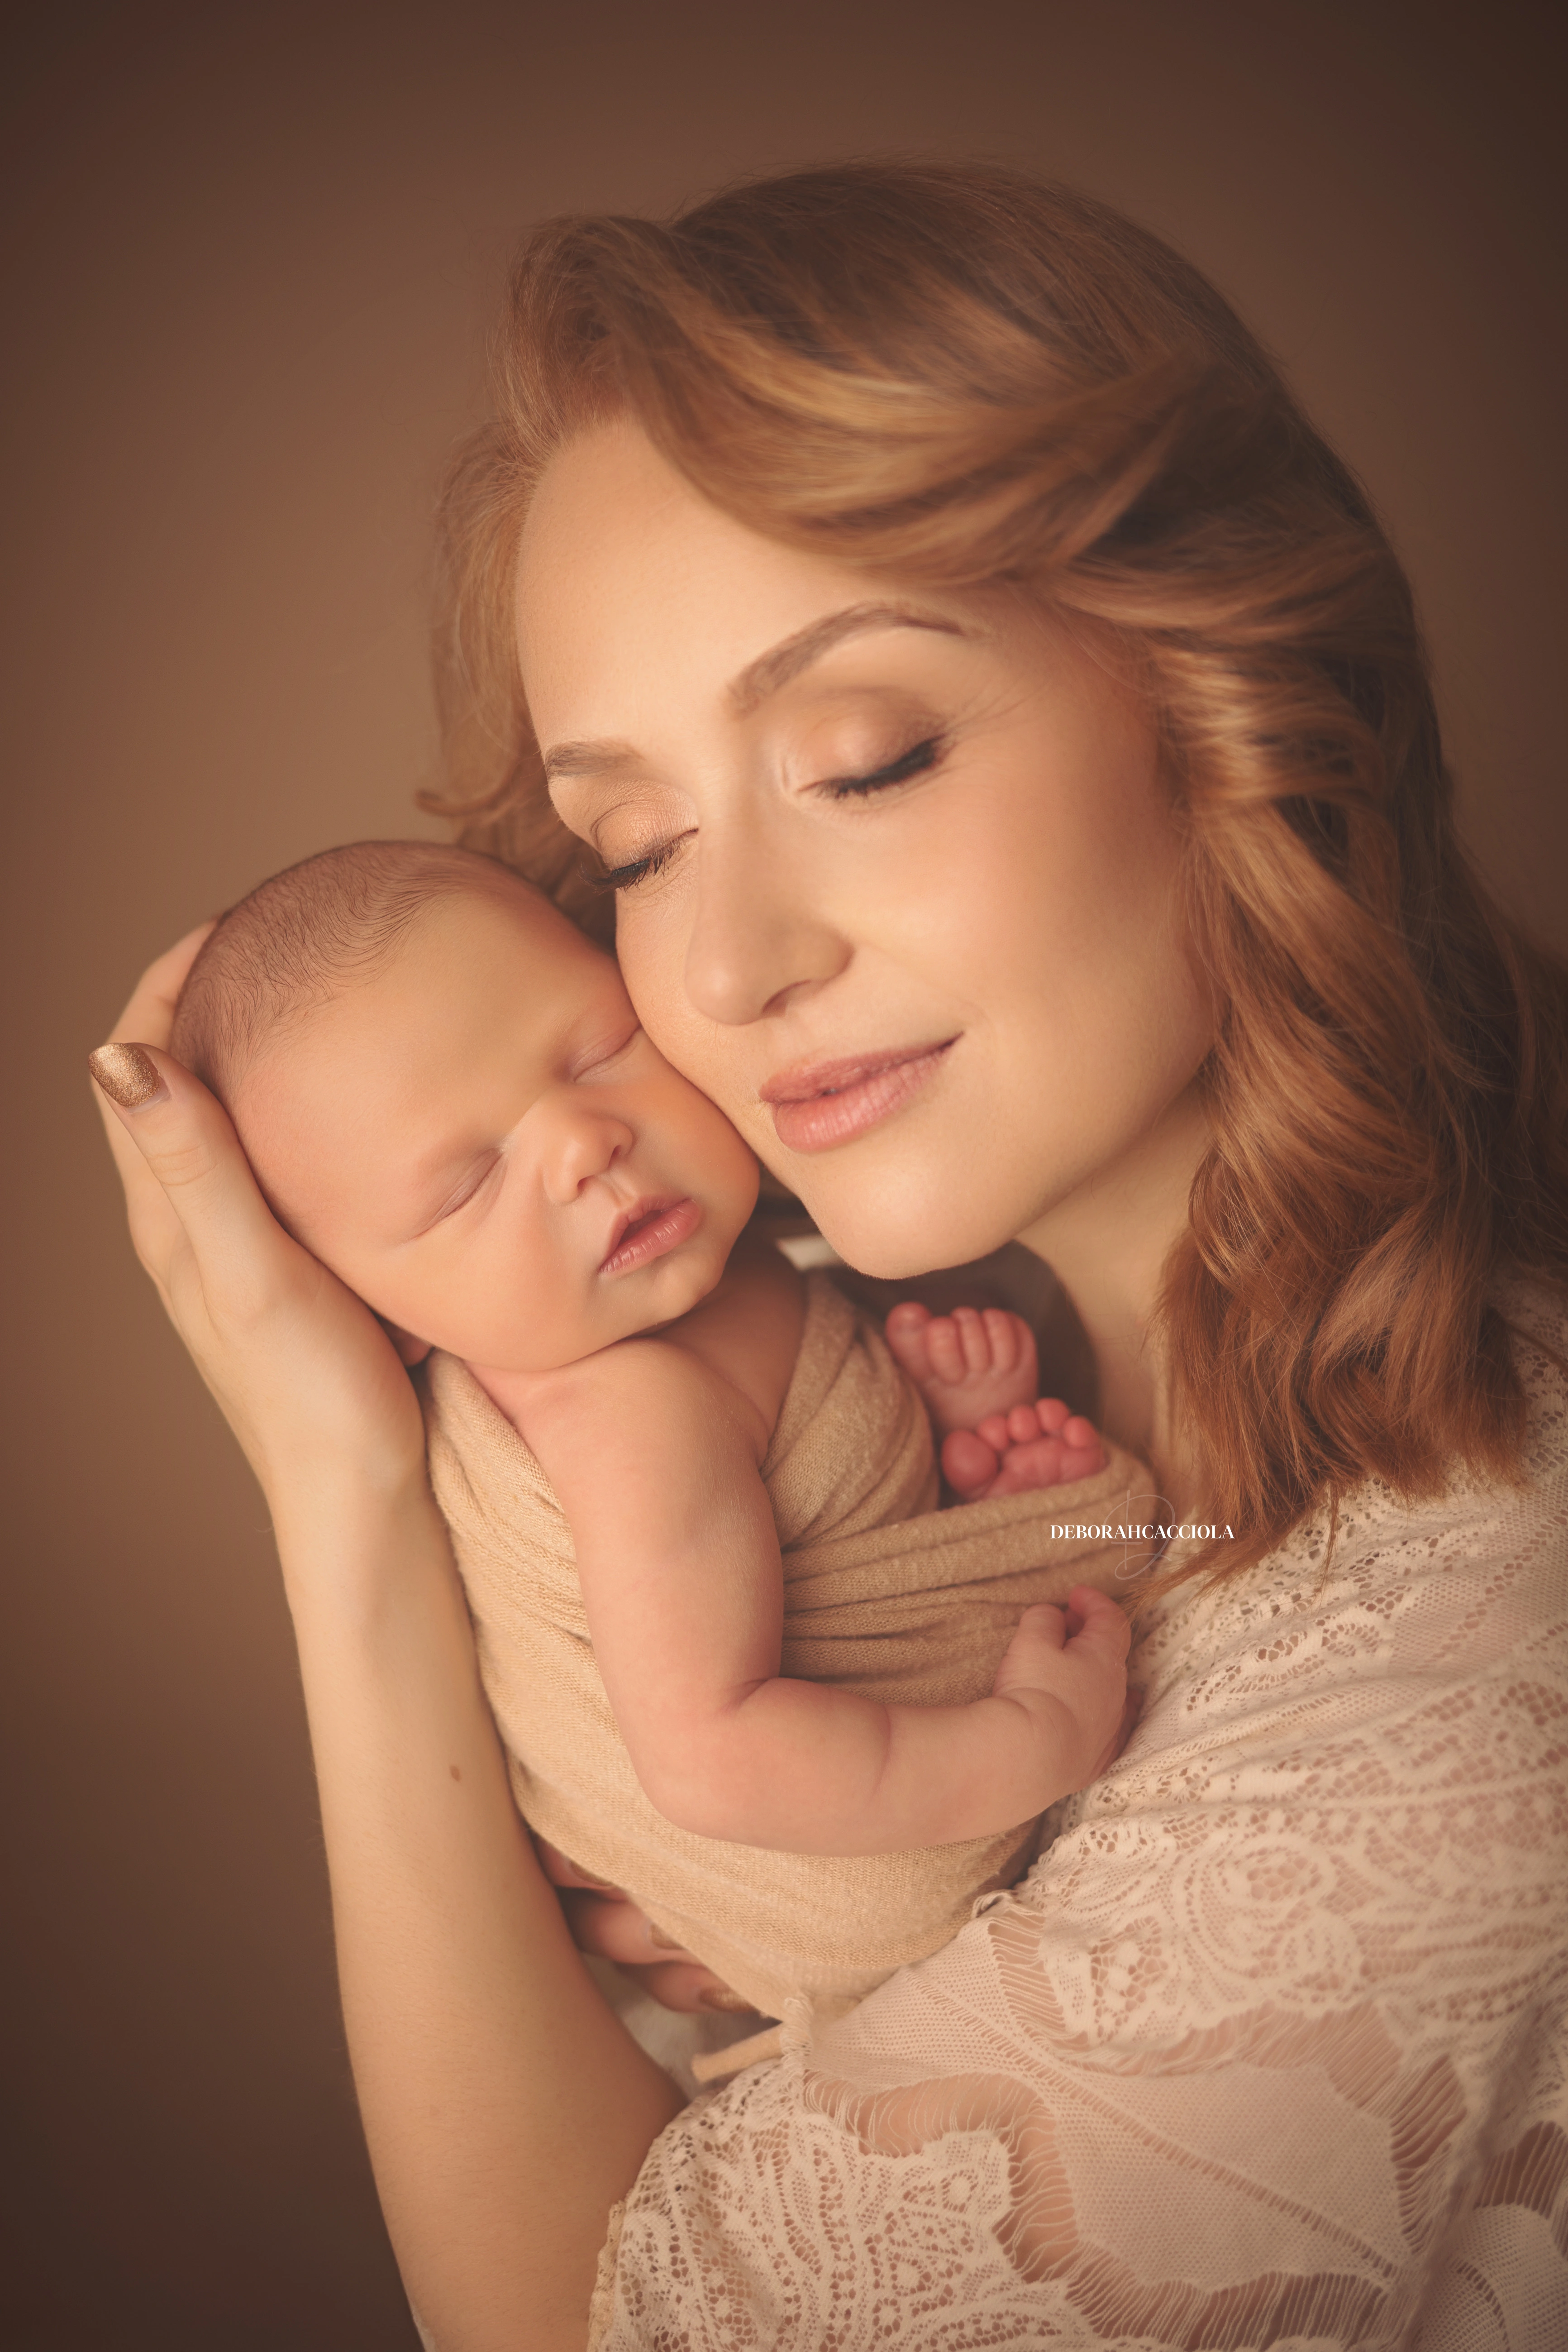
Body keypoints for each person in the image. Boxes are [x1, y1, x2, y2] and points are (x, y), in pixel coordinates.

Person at [91, 163, 1568, 2349]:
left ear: (1223, 688)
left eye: (861, 758)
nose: (729, 958)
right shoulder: (883, 1385)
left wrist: (343, 1528)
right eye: (640, 845)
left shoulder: (1454, 1681)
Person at [163, 836, 1129, 2032]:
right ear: (378, 1319)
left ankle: (975, 1502)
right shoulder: (630, 1413)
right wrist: (1027, 1742)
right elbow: (709, 1754)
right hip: (871, 1831)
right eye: (466, 1184)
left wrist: (929, 1425)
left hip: (846, 1741)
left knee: (1103, 1502)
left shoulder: (716, 1267)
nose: (583, 1143)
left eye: (598, 1051)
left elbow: (794, 1511)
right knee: (1138, 1531)